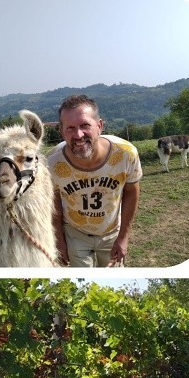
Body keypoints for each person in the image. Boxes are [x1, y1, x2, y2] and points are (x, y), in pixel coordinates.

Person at [47, 94, 143, 267]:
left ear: (99, 126)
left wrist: (123, 237)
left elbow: (131, 191)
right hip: (75, 234)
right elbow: (54, 203)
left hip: (111, 231)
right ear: (61, 131)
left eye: (85, 125)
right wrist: (59, 240)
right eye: (70, 128)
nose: (78, 135)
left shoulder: (125, 154)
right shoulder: (52, 163)